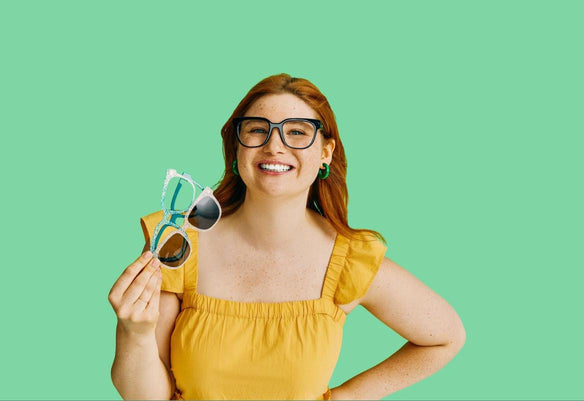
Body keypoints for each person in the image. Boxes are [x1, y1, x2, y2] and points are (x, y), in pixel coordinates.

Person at [108, 73, 466, 400]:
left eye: (296, 131)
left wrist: (348, 397)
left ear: (326, 152)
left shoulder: (348, 260)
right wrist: (134, 333)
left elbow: (445, 337)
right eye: (257, 129)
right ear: (236, 148)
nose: (274, 146)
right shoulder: (180, 238)